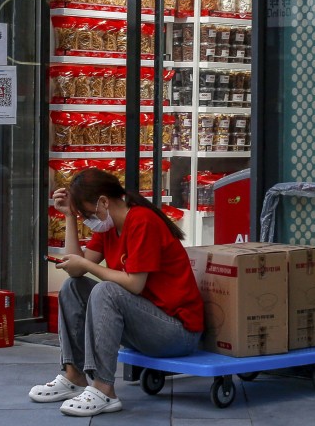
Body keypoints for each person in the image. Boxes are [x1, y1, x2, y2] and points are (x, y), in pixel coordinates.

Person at [29, 168, 204, 417]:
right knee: (72, 287)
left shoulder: (142, 221)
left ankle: (104, 389)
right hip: (146, 323)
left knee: (107, 291)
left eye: (88, 214)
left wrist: (88, 266)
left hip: (177, 332)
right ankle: (74, 376)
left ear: (103, 202)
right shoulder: (109, 226)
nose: (89, 220)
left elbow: (135, 284)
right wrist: (69, 217)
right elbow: (76, 270)